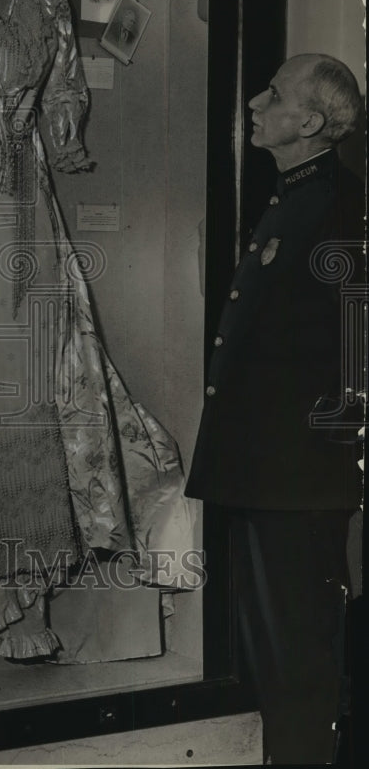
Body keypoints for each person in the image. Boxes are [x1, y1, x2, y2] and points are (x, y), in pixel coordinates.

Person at [185, 54, 365, 764]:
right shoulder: (296, 197)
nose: (255, 102)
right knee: (275, 644)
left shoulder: (335, 205)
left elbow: (357, 344)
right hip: (270, 470)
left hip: (297, 474)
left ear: (310, 122)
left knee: (296, 650)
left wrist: (327, 454)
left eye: (274, 94)